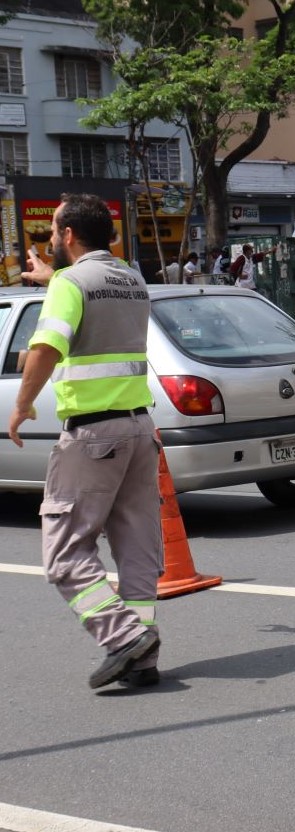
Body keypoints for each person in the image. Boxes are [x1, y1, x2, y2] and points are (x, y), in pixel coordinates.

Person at [9, 193, 162, 690]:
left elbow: (46, 347)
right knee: (136, 545)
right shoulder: (131, 279)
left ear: (69, 236)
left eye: (54, 231)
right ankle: (143, 652)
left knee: (64, 553)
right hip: (140, 430)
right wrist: (48, 278)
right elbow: (96, 303)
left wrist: (22, 404)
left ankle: (121, 639)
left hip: (94, 434)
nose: (52, 239)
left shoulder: (70, 283)